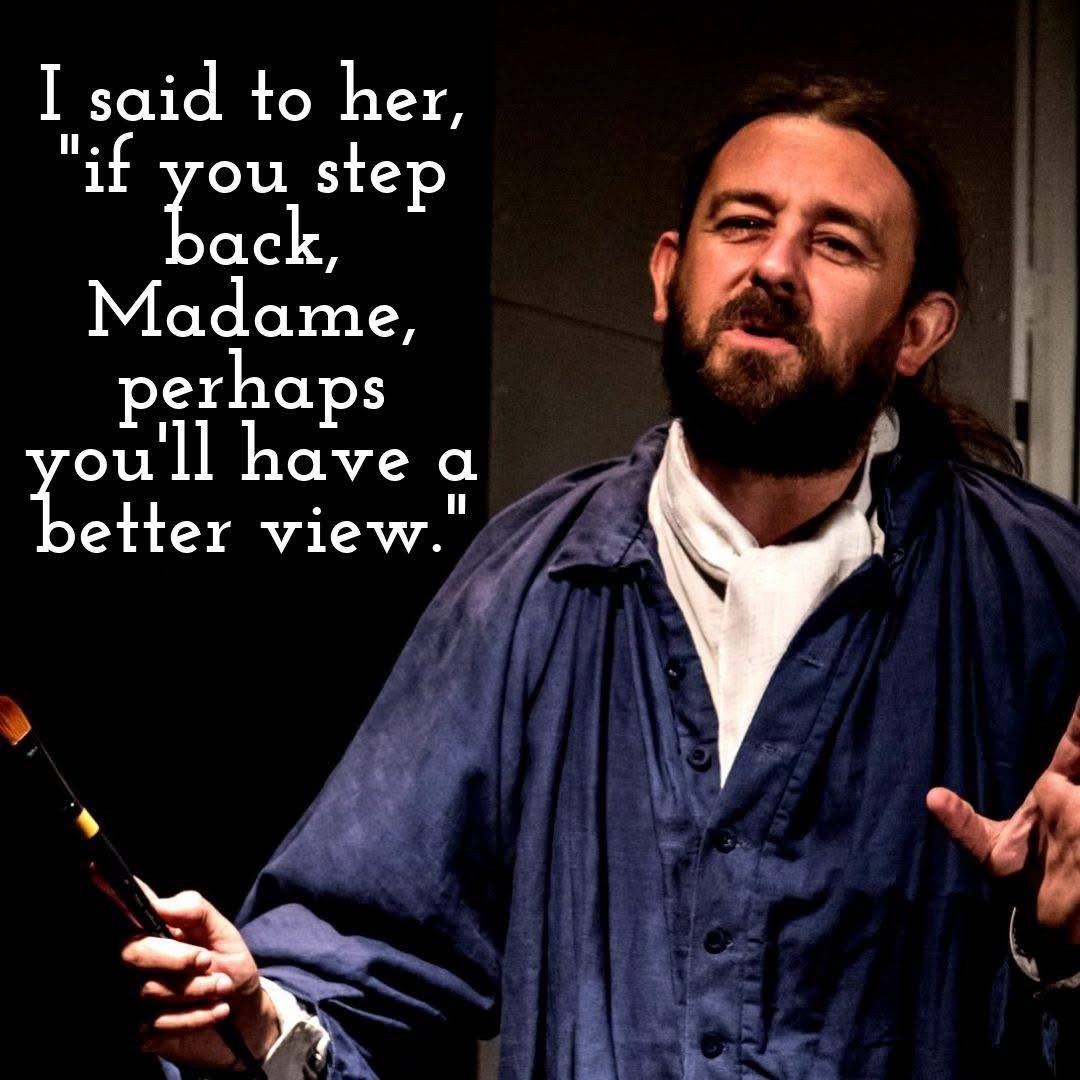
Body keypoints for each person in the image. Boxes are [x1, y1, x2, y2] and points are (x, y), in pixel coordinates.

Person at [121, 75, 1080, 1079]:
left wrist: (1062, 955)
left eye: (836, 242)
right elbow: (360, 955)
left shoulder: (1039, 595)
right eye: (743, 223)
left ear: (919, 331)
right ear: (669, 274)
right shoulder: (532, 585)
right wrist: (259, 1022)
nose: (775, 265)